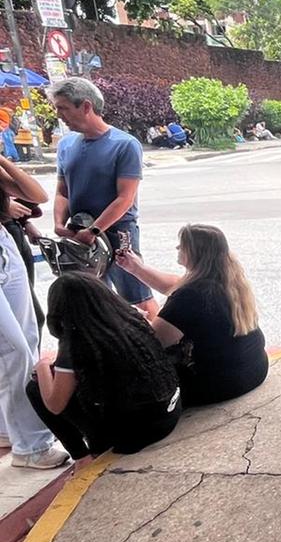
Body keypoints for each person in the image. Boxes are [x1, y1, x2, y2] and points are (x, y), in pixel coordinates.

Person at [26, 273, 180, 459]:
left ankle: (81, 456)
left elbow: (55, 405)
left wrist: (42, 365)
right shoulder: (132, 318)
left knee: (35, 388)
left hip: (135, 435)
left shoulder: (75, 342)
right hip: (169, 412)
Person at [114, 224, 268, 406]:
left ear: (194, 253)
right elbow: (176, 285)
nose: (177, 248)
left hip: (222, 384)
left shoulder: (190, 296)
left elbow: (153, 343)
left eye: (182, 245)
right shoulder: (227, 279)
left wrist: (133, 314)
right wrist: (136, 268)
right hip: (255, 369)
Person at [49, 77, 160, 321]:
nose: (59, 115)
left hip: (116, 232)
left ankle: (161, 347)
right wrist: (59, 223)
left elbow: (125, 198)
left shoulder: (125, 145)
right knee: (96, 299)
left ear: (86, 106)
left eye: (63, 108)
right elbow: (63, 190)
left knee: (137, 296)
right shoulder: (66, 145)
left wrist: (95, 230)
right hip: (79, 232)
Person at [0, 154, 66, 468]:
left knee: (26, 339)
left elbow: (36, 195)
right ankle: (31, 446)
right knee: (12, 349)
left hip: (4, 245)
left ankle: (8, 429)